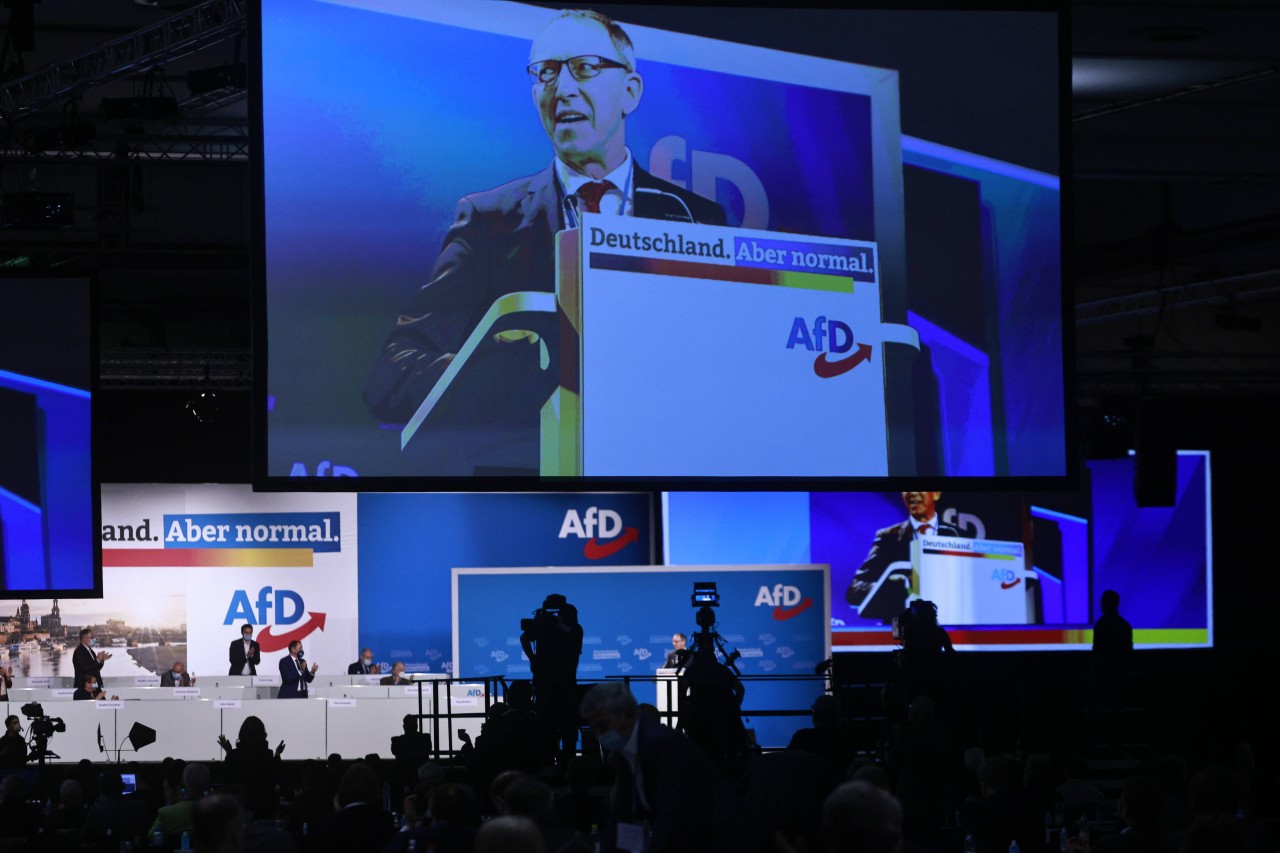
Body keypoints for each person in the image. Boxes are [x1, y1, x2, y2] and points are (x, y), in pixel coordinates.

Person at [362, 8, 726, 473]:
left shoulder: (697, 219)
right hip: (529, 487)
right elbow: (392, 375)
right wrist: (510, 368)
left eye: (586, 68)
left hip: (666, 474)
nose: (564, 89)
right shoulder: (489, 222)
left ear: (630, 92)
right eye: (547, 73)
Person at [579, 681, 751, 852]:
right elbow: (622, 814)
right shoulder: (627, 749)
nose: (599, 735)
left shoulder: (663, 745)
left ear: (629, 714)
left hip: (717, 840)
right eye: (595, 728)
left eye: (603, 725)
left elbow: (671, 816)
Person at [520, 594, 584, 768]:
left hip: (557, 684)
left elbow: (525, 637)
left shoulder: (570, 628)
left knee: (565, 728)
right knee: (551, 727)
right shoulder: (562, 627)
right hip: (552, 684)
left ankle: (562, 763)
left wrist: (534, 660)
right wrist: (533, 659)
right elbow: (525, 638)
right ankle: (553, 763)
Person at [149, 762, 211, 845]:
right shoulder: (219, 812)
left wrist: (168, 803)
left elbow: (152, 837)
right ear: (207, 782)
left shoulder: (166, 813)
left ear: (184, 782)